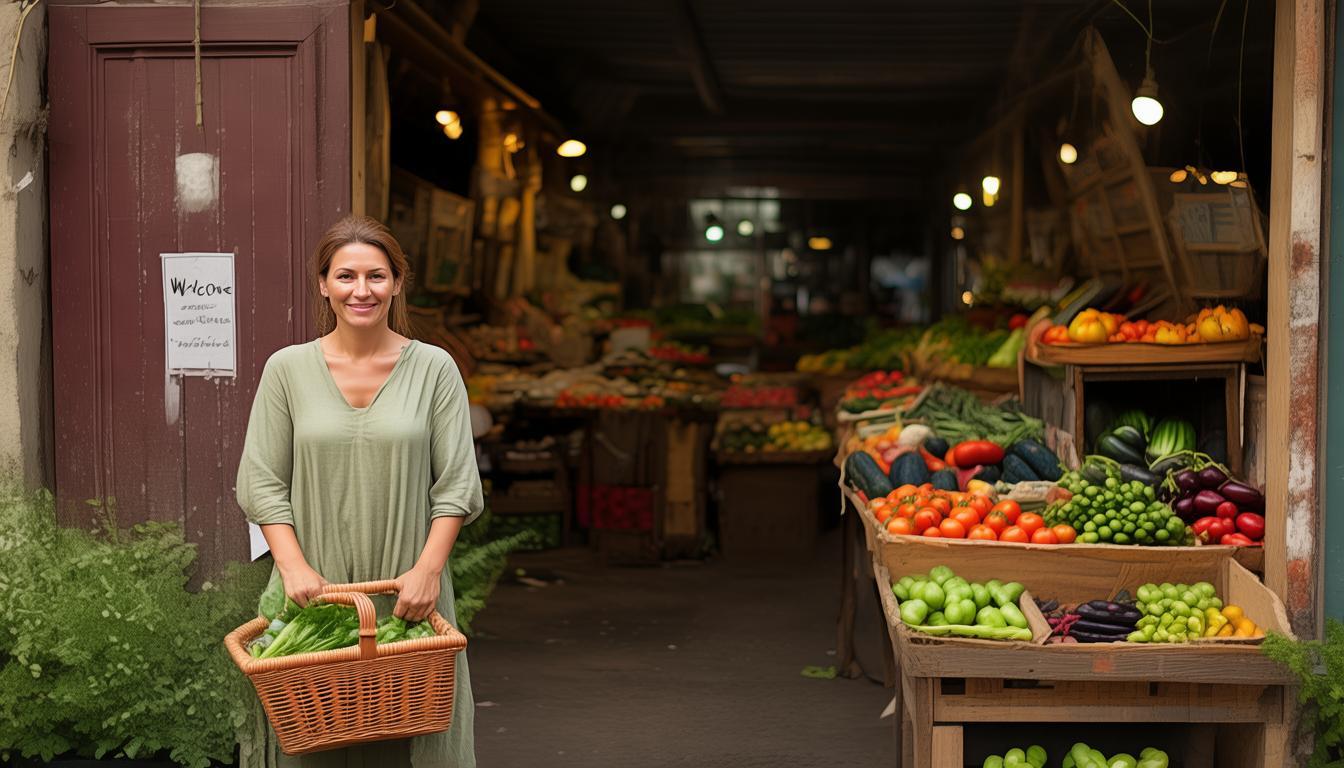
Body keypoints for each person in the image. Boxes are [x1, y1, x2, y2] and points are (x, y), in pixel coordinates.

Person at [236, 215, 483, 768]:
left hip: (409, 592)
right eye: (345, 276)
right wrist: (294, 567)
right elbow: (262, 482)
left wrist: (428, 571)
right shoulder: (287, 370)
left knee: (411, 743)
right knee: (311, 742)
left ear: (398, 283)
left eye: (376, 276)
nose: (361, 290)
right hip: (313, 594)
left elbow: (457, 486)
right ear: (323, 284)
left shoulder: (435, 369)